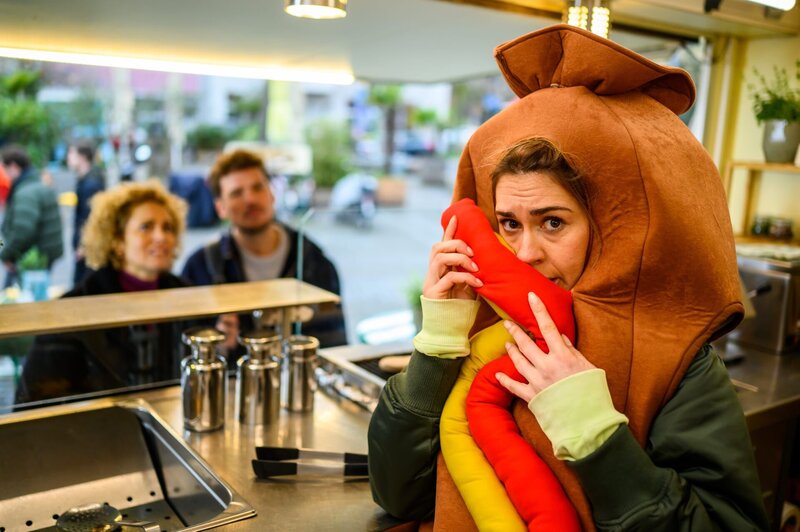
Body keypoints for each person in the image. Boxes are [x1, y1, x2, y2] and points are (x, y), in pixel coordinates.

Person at [368, 24, 769, 531]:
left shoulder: (679, 365)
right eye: (509, 223)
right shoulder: (480, 327)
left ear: (613, 231)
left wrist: (596, 435)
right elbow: (398, 494)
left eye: (552, 222)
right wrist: (436, 343)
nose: (525, 252)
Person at [15, 180, 189, 403]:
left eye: (168, 227)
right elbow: (38, 404)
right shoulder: (71, 311)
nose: (161, 237)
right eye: (146, 227)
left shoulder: (187, 297)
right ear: (117, 240)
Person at [181, 149, 346, 349]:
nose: (250, 199)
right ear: (220, 208)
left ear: (271, 193)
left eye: (258, 187)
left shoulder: (313, 260)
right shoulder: (200, 267)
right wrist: (218, 347)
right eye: (236, 193)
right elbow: (183, 351)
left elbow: (335, 345)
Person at [0, 145, 63, 288]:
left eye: (3, 167)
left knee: (16, 300)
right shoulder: (34, 184)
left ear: (14, 167)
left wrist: (6, 255)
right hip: (39, 257)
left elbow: (22, 231)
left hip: (32, 260)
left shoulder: (26, 192)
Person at [67, 139, 106, 284]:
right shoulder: (87, 180)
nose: (68, 158)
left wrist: (83, 245)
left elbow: (89, 217)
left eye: (71, 153)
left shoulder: (91, 183)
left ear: (82, 157)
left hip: (89, 248)